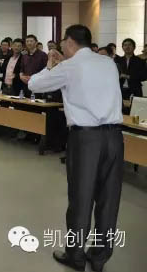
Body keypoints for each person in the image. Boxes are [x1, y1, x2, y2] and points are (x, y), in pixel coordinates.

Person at [28, 25, 124, 272]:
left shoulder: (69, 67)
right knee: (109, 200)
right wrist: (62, 65)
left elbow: (34, 84)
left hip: (86, 139)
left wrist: (51, 66)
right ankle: (100, 257)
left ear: (70, 42)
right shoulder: (108, 63)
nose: (61, 46)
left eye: (63, 42)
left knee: (81, 198)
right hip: (114, 138)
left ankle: (76, 256)